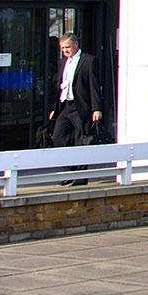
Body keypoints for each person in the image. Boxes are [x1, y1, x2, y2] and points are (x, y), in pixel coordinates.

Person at [46, 34, 103, 185]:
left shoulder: (88, 61)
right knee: (59, 137)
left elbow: (94, 85)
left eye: (67, 47)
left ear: (75, 45)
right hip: (65, 105)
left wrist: (96, 108)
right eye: (63, 48)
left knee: (81, 140)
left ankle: (81, 176)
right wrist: (54, 108)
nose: (65, 51)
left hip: (80, 106)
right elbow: (59, 84)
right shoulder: (63, 61)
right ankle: (69, 171)